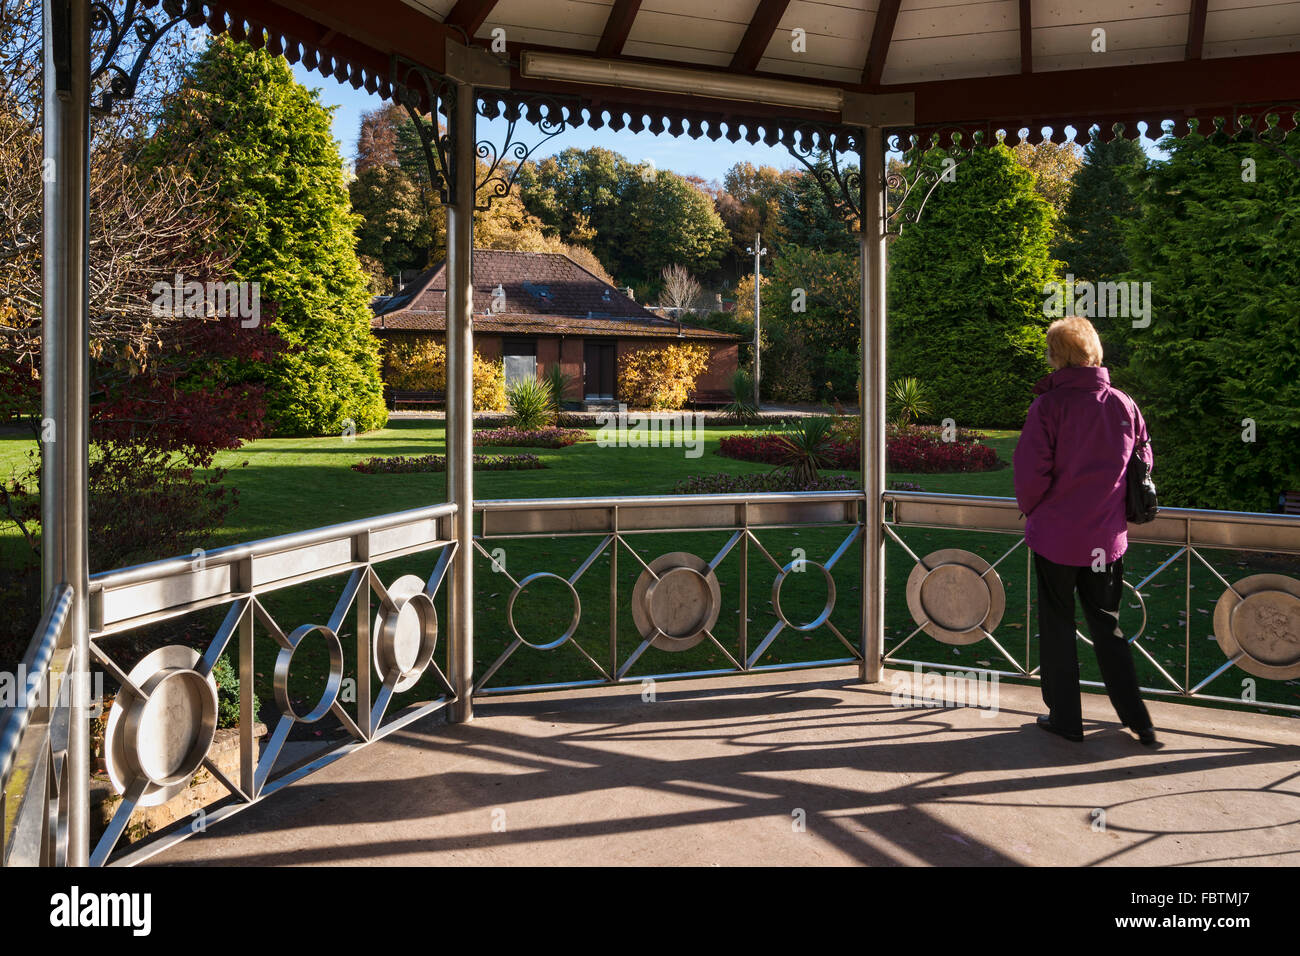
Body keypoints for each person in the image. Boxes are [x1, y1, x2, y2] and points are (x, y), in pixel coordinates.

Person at [1013, 317, 1157, 747]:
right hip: (1105, 540)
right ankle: (1138, 720)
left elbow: (1030, 474)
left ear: (1057, 356)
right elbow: (1143, 461)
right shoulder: (1123, 404)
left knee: (1057, 626)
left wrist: (1034, 508)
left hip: (1057, 538)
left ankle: (1066, 719)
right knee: (1108, 627)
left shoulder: (1048, 407)